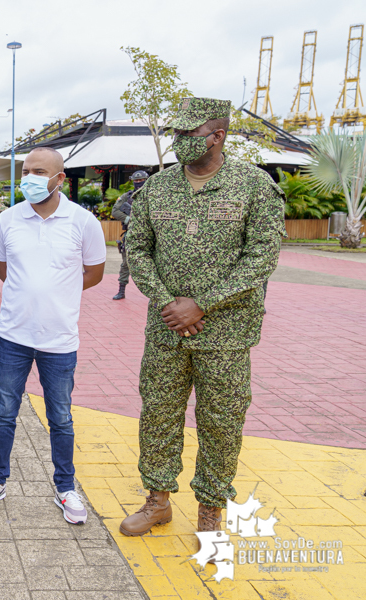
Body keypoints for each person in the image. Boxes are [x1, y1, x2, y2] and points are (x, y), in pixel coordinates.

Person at [120, 98, 285, 545]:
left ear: (218, 136)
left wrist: (202, 304)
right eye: (176, 134)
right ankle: (157, 500)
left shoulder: (254, 186)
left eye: (189, 136)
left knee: (222, 420)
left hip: (226, 335)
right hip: (167, 330)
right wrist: (168, 301)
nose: (178, 143)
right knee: (157, 413)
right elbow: (136, 247)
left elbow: (261, 258)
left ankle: (210, 512)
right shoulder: (158, 187)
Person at [0, 148, 106, 522]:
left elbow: (93, 273)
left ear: (59, 178)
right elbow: (3, 268)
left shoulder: (83, 221)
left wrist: (56, 293)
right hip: (13, 336)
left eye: (38, 171)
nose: (28, 177)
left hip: (59, 341)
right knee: (4, 412)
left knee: (60, 417)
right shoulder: (7, 221)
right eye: (25, 170)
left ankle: (65, 487)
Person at [111, 171, 149, 300]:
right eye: (136, 181)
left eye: (141, 180)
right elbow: (115, 211)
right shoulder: (127, 197)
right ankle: (121, 291)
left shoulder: (154, 195)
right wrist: (129, 219)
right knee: (126, 263)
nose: (138, 183)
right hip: (131, 234)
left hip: (150, 235)